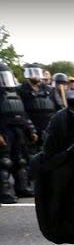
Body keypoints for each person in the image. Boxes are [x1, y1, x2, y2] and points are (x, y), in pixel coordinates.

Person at [0, 62, 37, 203]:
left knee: (20, 160)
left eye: (6, 77)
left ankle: (22, 187)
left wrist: (31, 130)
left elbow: (23, 114)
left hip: (18, 130)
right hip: (4, 131)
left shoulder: (14, 93)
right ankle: (4, 192)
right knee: (4, 162)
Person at [16, 65, 56, 148]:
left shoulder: (50, 89)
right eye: (33, 73)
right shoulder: (20, 90)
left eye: (37, 73)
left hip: (48, 128)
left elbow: (58, 108)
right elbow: (20, 111)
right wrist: (30, 129)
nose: (35, 75)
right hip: (29, 129)